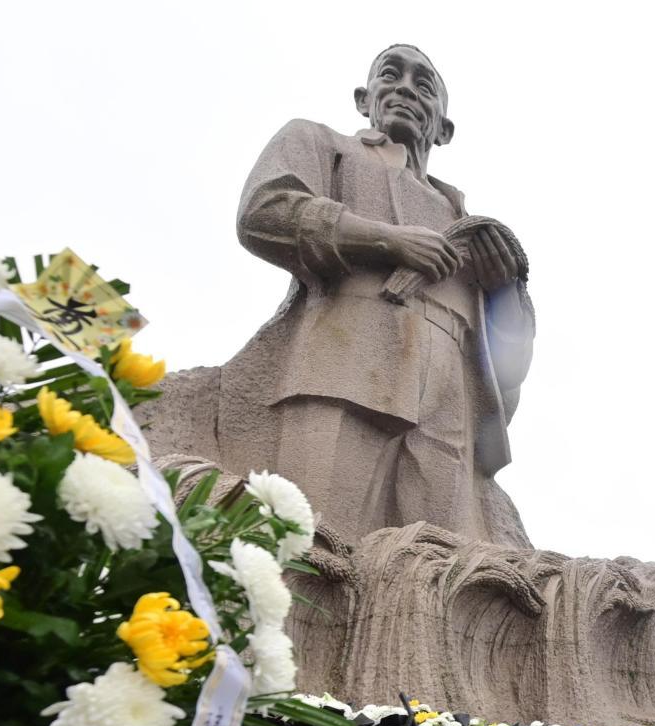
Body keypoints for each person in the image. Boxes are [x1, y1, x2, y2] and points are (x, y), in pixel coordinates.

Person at [220, 43, 537, 551]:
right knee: (309, 544)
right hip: (345, 361)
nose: (407, 88)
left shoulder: (460, 213)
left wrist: (504, 291)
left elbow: (509, 367)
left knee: (435, 567)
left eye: (424, 84)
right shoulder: (322, 144)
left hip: (450, 396)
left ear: (444, 128)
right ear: (365, 98)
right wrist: (388, 240)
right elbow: (264, 212)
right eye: (392, 75)